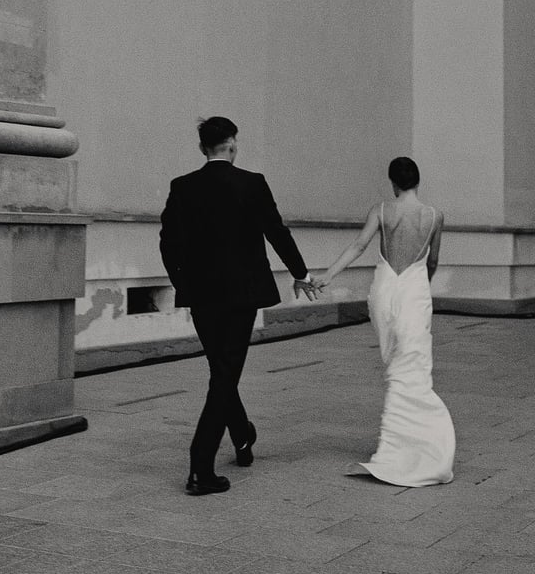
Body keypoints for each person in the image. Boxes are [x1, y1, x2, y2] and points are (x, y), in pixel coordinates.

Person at [160, 116, 320, 496]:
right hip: (242, 294)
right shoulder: (252, 183)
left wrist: (183, 284)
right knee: (225, 373)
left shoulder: (182, 187)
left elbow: (168, 243)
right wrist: (300, 273)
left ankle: (243, 434)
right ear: (232, 144)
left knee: (221, 370)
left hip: (201, 295)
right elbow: (276, 232)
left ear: (203, 148)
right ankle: (200, 467)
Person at [317, 156, 455, 486]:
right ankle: (415, 444)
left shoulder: (381, 210)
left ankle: (397, 444)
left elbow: (359, 246)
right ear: (417, 181)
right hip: (414, 291)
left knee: (395, 363)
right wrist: (421, 286)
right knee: (412, 367)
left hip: (384, 290)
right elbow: (432, 260)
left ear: (393, 183)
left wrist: (328, 275)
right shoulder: (435, 216)